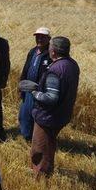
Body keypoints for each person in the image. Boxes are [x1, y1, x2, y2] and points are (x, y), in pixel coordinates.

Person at [30, 36, 80, 179]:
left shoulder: (55, 69)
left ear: (53, 52)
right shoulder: (72, 64)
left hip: (48, 116)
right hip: (62, 114)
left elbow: (51, 98)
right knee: (50, 145)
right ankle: (48, 171)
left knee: (39, 149)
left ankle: (40, 177)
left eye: (50, 47)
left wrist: (35, 93)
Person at [18, 27, 52, 141]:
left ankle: (35, 139)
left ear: (49, 39)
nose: (39, 39)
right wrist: (21, 84)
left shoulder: (50, 55)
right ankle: (26, 137)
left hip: (39, 91)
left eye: (42, 37)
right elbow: (26, 68)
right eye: (38, 37)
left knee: (36, 115)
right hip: (27, 89)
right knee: (24, 114)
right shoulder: (32, 51)